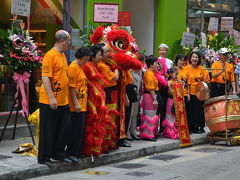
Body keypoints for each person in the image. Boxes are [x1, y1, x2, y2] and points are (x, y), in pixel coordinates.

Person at [38, 30, 72, 165]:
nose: (69, 44)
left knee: (64, 127)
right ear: (62, 41)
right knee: (48, 129)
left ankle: (58, 153)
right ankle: (44, 157)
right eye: (68, 41)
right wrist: (52, 97)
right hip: (49, 100)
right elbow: (45, 77)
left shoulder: (62, 55)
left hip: (63, 100)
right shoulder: (50, 55)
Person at [82, 45, 109, 157]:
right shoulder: (87, 67)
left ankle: (96, 148)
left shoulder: (95, 67)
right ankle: (90, 148)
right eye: (99, 55)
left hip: (98, 103)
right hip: (92, 103)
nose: (101, 57)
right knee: (92, 126)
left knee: (99, 125)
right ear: (92, 57)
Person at [66, 47, 90, 162]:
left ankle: (77, 151)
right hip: (76, 105)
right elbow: (71, 87)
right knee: (75, 129)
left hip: (82, 103)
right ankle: (71, 153)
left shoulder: (80, 67)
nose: (86, 62)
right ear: (79, 57)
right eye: (85, 59)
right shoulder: (73, 68)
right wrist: (76, 104)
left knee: (80, 129)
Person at [97, 43, 119, 152]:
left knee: (112, 119)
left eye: (108, 51)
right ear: (100, 55)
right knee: (108, 119)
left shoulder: (107, 64)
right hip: (108, 95)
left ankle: (110, 142)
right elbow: (116, 77)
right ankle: (105, 145)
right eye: (106, 52)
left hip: (113, 94)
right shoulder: (102, 65)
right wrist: (116, 68)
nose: (108, 54)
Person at [185, 52, 206, 134]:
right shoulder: (186, 68)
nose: (194, 59)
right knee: (190, 111)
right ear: (190, 59)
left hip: (200, 93)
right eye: (193, 57)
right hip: (190, 93)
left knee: (199, 111)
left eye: (196, 57)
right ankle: (190, 128)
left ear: (199, 59)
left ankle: (198, 127)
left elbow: (204, 81)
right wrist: (188, 93)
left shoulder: (201, 69)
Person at [140, 55, 159, 141]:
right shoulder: (150, 74)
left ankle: (148, 133)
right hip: (150, 96)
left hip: (148, 96)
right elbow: (151, 88)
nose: (157, 65)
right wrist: (154, 99)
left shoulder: (149, 73)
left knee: (149, 114)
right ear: (151, 64)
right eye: (156, 63)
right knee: (150, 115)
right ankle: (148, 134)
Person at [157, 43, 172, 133]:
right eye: (161, 50)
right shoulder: (156, 60)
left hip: (166, 87)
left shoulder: (170, 62)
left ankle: (162, 128)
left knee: (164, 108)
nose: (162, 52)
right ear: (158, 51)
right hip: (157, 86)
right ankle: (155, 128)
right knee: (157, 107)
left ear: (166, 51)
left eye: (164, 50)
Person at [162, 68, 179, 139]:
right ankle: (169, 132)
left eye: (177, 74)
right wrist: (169, 86)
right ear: (171, 74)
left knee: (175, 117)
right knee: (170, 116)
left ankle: (175, 131)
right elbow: (172, 92)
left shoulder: (178, 81)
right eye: (175, 74)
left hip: (176, 100)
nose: (177, 76)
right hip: (171, 100)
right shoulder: (169, 82)